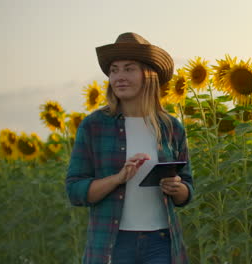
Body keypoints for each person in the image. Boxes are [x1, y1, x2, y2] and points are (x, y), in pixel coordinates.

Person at [66, 32, 193, 264]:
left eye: (129, 68)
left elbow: (187, 190)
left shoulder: (171, 128)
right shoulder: (94, 126)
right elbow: (75, 191)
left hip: (162, 243)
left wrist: (177, 188)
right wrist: (118, 178)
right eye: (114, 70)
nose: (119, 77)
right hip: (112, 245)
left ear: (149, 75)